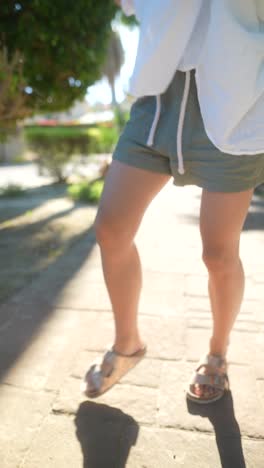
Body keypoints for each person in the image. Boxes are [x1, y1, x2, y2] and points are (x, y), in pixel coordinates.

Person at [81, 0, 264, 404]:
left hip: (237, 103)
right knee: (111, 229)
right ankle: (128, 345)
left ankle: (217, 354)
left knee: (218, 254)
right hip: (158, 99)